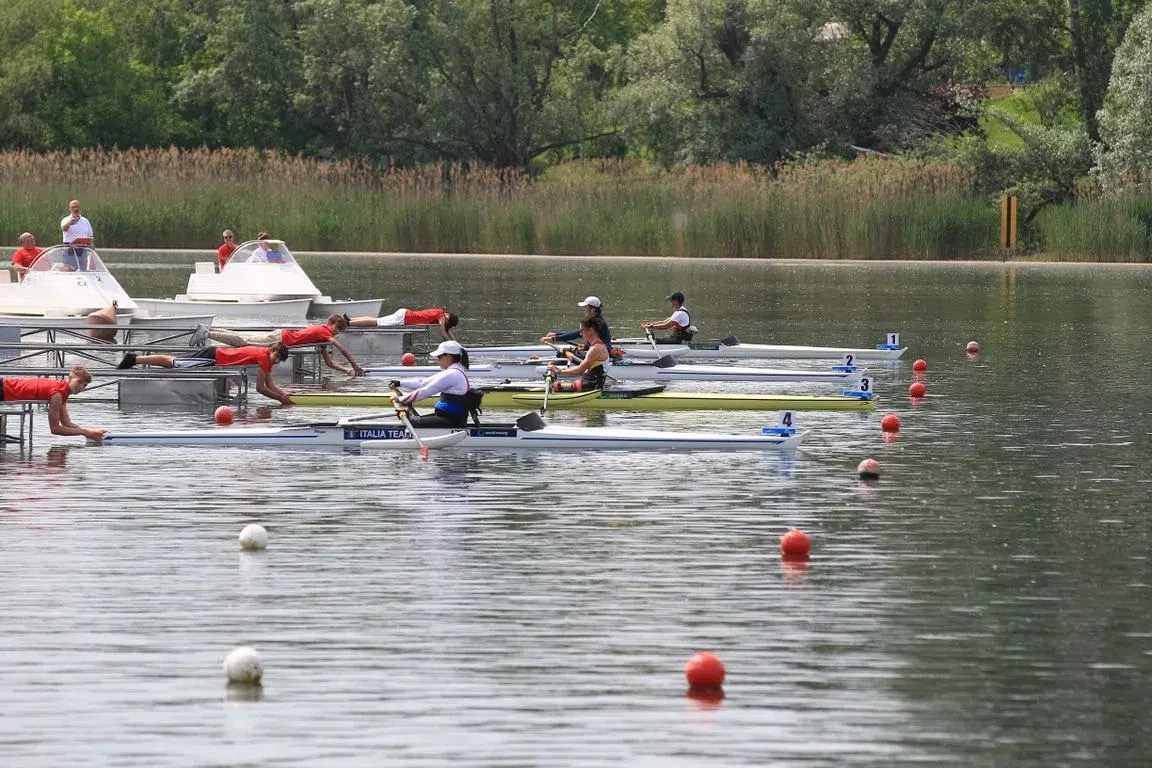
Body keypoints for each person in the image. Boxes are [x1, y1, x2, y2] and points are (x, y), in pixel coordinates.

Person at [117, 342, 294, 406]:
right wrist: (280, 399)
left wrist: (283, 394)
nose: (276, 361)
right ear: (272, 351)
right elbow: (260, 388)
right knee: (175, 364)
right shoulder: (264, 358)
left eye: (280, 360)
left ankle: (136, 359)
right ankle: (135, 359)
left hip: (215, 355)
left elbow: (270, 385)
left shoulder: (266, 357)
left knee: (176, 362)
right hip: (213, 358)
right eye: (276, 356)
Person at [192, 314, 366, 377]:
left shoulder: (322, 337)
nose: (337, 334)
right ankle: (208, 333)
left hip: (281, 337)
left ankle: (210, 330)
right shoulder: (324, 331)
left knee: (245, 339)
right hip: (280, 338)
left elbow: (328, 362)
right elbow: (341, 348)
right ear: (332, 325)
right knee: (244, 342)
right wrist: (356, 365)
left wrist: (348, 371)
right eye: (337, 330)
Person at [0, 365, 106, 442]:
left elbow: (66, 423)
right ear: (69, 378)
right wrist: (85, 433)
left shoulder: (63, 393)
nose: (81, 387)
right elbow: (55, 429)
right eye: (79, 382)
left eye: (85, 385)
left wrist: (91, 430)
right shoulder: (58, 394)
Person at [390, 340, 480, 427]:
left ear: (448, 356)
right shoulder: (453, 371)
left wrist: (400, 399)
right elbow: (423, 383)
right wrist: (400, 383)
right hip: (445, 417)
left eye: (439, 357)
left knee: (410, 422)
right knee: (410, 420)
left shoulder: (452, 374)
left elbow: (425, 391)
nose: (438, 360)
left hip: (451, 420)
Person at [548, 317, 611, 392]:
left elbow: (580, 370)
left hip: (590, 387)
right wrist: (560, 370)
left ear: (590, 330)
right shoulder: (597, 345)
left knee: (555, 387)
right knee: (554, 386)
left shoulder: (595, 349)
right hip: (589, 384)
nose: (580, 333)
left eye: (582, 330)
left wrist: (558, 372)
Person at [348, 308, 459, 341]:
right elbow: (443, 332)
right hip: (404, 318)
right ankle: (348, 323)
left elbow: (447, 331)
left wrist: (456, 344)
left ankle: (350, 320)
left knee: (377, 320)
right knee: (377, 323)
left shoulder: (441, 313)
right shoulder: (442, 316)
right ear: (448, 318)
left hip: (404, 314)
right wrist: (452, 345)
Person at [60, 199, 94, 271]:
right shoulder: (65, 219)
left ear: (80, 208)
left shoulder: (85, 221)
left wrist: (92, 246)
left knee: (83, 269)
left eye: (77, 207)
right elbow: (64, 229)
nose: (75, 209)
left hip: (83, 249)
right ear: (69, 209)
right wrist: (69, 223)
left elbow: (90, 236)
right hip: (70, 249)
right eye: (73, 207)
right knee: (69, 269)